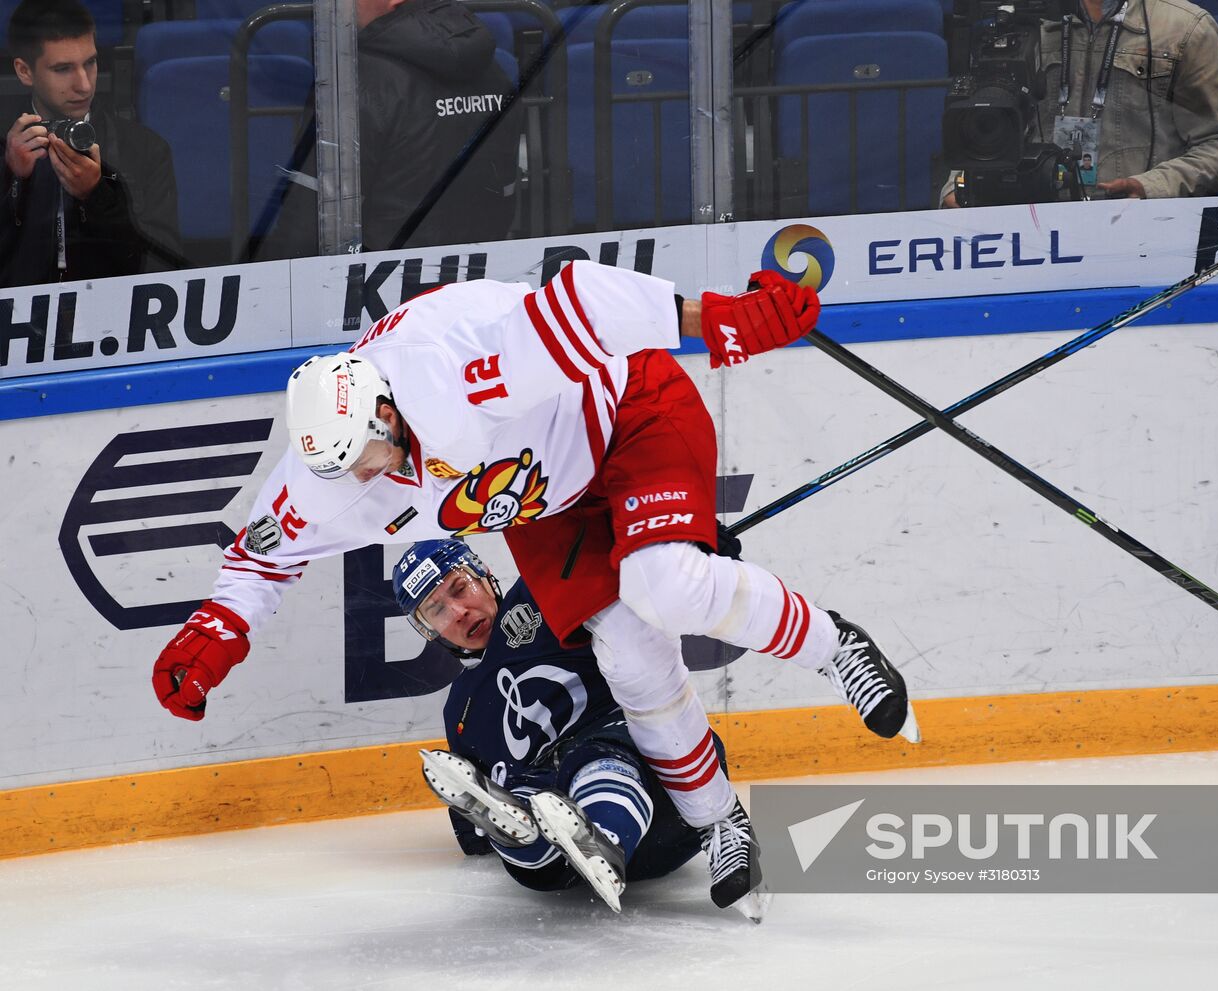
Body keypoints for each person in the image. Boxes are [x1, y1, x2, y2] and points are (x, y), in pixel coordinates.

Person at [150, 260, 921, 913]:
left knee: (668, 585)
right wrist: (217, 627)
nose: (355, 481)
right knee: (628, 649)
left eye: (363, 458)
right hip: (540, 497)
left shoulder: (453, 366)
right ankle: (719, 821)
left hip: (628, 412)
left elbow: (583, 298)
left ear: (386, 412)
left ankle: (835, 645)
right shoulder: (332, 467)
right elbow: (263, 555)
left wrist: (715, 316)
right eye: (340, 469)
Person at [394, 538, 765, 921]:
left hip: (667, 802)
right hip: (573, 870)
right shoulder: (460, 708)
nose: (457, 612)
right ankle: (529, 836)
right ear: (428, 631)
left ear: (485, 574)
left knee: (597, 751)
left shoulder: (544, 591)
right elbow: (474, 838)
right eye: (436, 610)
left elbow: (641, 576)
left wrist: (691, 551)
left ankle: (600, 836)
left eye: (460, 587)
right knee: (528, 813)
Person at [262, 0, 519, 257]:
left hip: (384, 285)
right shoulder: (493, 71)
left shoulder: (353, 80)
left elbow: (308, 223)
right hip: (480, 278)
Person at [943, 0, 1218, 205]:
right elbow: (986, 119)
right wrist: (959, 184)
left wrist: (1152, 187)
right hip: (1038, 223)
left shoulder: (1185, 29)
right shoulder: (1022, 23)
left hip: (1139, 227)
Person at [0, 0, 181, 287]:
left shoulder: (145, 149)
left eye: (91, 62)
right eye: (63, 69)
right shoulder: (6, 151)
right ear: (24, 71)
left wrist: (97, 196)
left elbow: (160, 266)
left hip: (116, 315)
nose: (84, 84)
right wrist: (13, 181)